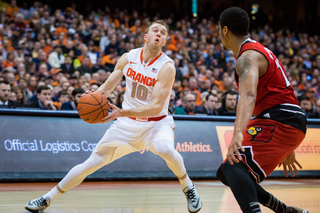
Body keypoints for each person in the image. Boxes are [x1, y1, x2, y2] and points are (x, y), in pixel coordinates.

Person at [25, 20, 202, 213]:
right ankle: (47, 198)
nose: (159, 33)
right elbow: (108, 87)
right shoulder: (128, 58)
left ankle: (188, 186)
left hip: (156, 124)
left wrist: (122, 112)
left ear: (165, 41)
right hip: (126, 124)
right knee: (91, 163)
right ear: (145, 36)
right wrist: (96, 97)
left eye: (163, 32)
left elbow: (156, 107)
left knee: (165, 148)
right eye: (155, 30)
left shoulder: (167, 66)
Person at [215, 7, 308, 213]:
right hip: (286, 118)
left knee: (233, 166)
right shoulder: (260, 50)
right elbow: (282, 92)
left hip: (280, 119)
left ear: (225, 30)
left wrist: (237, 133)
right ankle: (285, 211)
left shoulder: (247, 58)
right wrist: (289, 148)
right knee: (226, 172)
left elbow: (248, 96)